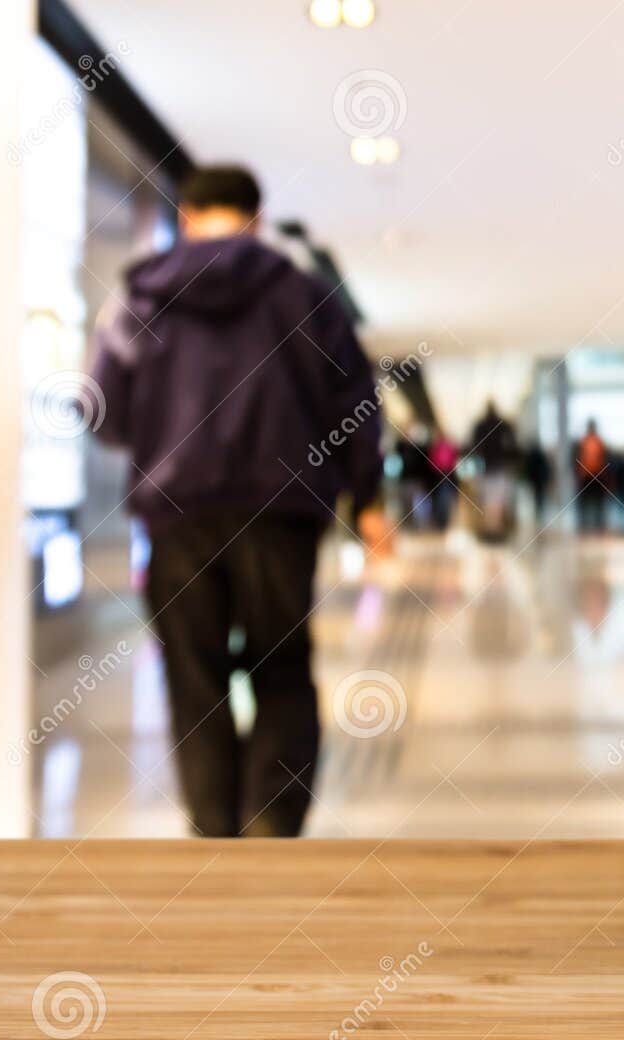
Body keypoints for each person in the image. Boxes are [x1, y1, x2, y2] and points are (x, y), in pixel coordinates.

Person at [89, 164, 388, 838]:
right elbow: (357, 404)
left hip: (177, 511)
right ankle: (271, 828)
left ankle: (213, 831)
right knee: (281, 666)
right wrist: (365, 495)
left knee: (193, 677)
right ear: (257, 218)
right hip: (281, 509)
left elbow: (101, 410)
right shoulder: (307, 296)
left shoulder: (139, 299)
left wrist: (163, 424)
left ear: (187, 217)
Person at [468, 401, 520, 540]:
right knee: (497, 499)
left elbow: (474, 447)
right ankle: (494, 528)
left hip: (486, 468)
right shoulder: (503, 425)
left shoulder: (480, 426)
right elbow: (513, 447)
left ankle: (490, 527)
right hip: (499, 467)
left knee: (487, 499)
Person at [574, 419, 610, 534]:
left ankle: (595, 524)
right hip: (590, 476)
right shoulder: (588, 442)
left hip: (594, 476)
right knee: (589, 503)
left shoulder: (593, 442)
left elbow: (604, 459)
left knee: (595, 503)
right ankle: (588, 524)